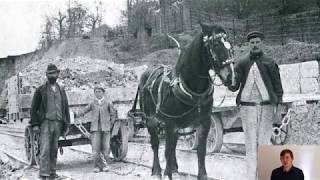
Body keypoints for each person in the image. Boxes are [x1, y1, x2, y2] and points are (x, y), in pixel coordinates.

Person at [227, 31, 283, 180]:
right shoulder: (242, 62)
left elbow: (278, 88)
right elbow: (234, 86)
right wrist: (228, 78)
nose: (255, 45)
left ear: (262, 42)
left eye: (257, 42)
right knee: (250, 144)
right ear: (248, 44)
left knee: (264, 143)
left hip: (267, 108)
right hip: (247, 108)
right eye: (252, 43)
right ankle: (250, 177)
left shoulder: (270, 62)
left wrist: (278, 110)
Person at [30, 64, 70, 180]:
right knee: (45, 149)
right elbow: (33, 108)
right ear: (46, 75)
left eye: (54, 73)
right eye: (50, 73)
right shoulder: (40, 90)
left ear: (57, 74)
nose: (52, 75)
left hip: (58, 123)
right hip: (46, 123)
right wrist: (35, 124)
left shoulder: (61, 89)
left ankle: (52, 172)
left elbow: (65, 107)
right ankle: (44, 174)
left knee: (54, 148)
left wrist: (66, 123)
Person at [74, 84, 116, 173]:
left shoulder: (108, 103)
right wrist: (75, 114)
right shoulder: (92, 103)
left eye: (99, 92)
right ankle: (97, 166)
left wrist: (110, 125)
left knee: (106, 147)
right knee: (95, 148)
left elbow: (113, 114)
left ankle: (105, 166)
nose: (98, 94)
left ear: (103, 93)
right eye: (96, 92)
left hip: (106, 129)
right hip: (95, 129)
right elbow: (84, 110)